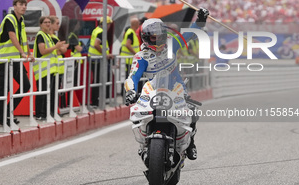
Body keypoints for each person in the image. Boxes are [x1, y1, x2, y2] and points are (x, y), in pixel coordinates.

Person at [124, 8, 210, 161]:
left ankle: (191, 144)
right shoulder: (140, 57)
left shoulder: (172, 45)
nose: (158, 41)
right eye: (153, 38)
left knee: (192, 111)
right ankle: (144, 143)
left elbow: (190, 34)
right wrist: (130, 91)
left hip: (176, 88)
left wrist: (200, 21)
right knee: (139, 113)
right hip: (153, 90)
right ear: (145, 38)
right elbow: (132, 77)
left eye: (161, 36)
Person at [0, 0, 34, 126]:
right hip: (6, 60)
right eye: (20, 4)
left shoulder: (21, 20)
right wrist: (23, 53)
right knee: (4, 90)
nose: (24, 7)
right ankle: (2, 117)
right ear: (14, 6)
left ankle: (7, 112)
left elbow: (24, 39)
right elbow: (13, 37)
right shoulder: (9, 18)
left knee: (25, 85)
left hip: (16, 61)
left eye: (25, 4)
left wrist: (29, 54)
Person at [33, 16, 65, 120]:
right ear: (41, 24)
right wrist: (56, 47)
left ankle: (46, 113)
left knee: (47, 93)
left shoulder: (48, 36)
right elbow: (42, 51)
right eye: (45, 22)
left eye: (48, 22)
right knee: (42, 92)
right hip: (43, 69)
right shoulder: (40, 35)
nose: (47, 24)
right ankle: (39, 114)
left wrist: (57, 48)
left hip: (49, 69)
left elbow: (56, 52)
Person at [88, 16, 114, 107]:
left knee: (97, 80)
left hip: (95, 59)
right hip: (98, 59)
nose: (110, 26)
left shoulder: (96, 30)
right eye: (109, 24)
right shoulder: (101, 32)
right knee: (98, 80)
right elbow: (96, 45)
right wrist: (105, 55)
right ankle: (95, 101)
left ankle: (96, 100)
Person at [49, 15, 69, 108]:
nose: (59, 26)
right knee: (53, 91)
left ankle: (56, 109)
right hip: (54, 68)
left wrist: (62, 48)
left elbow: (61, 50)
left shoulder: (55, 37)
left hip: (58, 68)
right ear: (51, 24)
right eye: (57, 24)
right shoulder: (51, 37)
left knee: (56, 91)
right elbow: (60, 50)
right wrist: (62, 48)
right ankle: (53, 110)